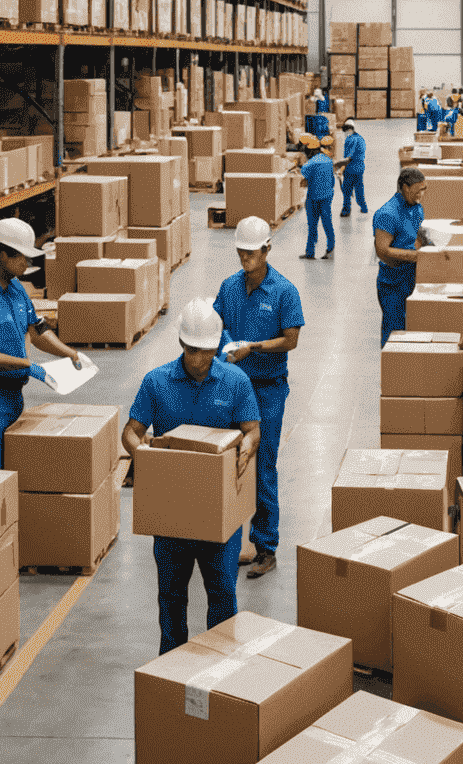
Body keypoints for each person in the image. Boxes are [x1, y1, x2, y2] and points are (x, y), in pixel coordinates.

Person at [123, 299, 261, 652]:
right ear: (182, 345)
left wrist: (247, 447)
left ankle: (221, 664)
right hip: (172, 515)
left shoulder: (235, 381)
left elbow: (252, 429)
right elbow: (131, 431)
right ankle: (170, 661)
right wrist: (146, 458)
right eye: (195, 350)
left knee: (222, 593)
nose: (202, 359)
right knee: (170, 596)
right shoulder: (157, 382)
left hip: (218, 516)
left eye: (208, 351)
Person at [0, 217, 82, 468]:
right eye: (21, 256)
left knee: (8, 465)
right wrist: (26, 364)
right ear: (1, 254)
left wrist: (70, 353)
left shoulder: (16, 289)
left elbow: (37, 330)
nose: (27, 263)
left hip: (11, 392)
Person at [214, 218, 304, 579]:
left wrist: (254, 348)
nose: (244, 258)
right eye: (240, 252)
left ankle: (266, 546)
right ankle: (233, 538)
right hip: (232, 387)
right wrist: (225, 345)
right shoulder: (229, 287)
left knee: (263, 463)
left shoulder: (284, 291)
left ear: (267, 249)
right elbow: (217, 325)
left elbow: (291, 339)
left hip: (267, 389)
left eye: (251, 252)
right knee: (230, 461)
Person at [373, 167, 430, 344]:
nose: (422, 194)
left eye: (424, 189)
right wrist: (414, 256)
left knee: (410, 327)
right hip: (393, 282)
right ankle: (390, 368)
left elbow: (416, 234)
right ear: (405, 187)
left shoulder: (416, 208)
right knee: (394, 331)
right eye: (418, 189)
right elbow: (382, 251)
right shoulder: (387, 214)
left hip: (411, 276)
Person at [298, 134, 336, 260]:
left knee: (312, 226)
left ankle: (310, 252)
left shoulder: (310, 163)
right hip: (326, 198)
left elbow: (303, 177)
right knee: (327, 224)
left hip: (313, 198)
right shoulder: (328, 160)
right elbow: (332, 181)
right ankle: (330, 250)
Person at [338, 118, 368, 216]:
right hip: (359, 168)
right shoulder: (360, 138)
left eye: (346, 130)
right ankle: (364, 207)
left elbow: (348, 158)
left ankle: (346, 210)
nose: (345, 133)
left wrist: (339, 167)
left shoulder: (351, 139)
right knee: (359, 189)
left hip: (351, 168)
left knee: (347, 190)